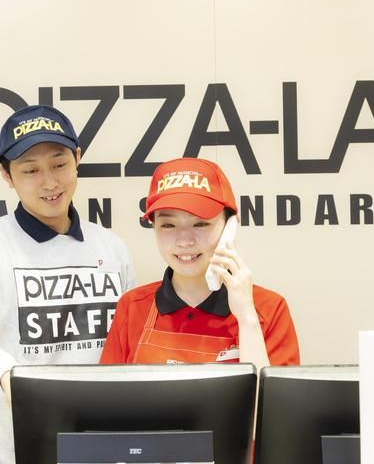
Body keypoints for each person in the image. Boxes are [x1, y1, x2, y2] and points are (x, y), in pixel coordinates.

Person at [0, 104, 135, 464]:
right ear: (6, 175)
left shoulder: (112, 248)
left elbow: (127, 347)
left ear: (77, 160)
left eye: (59, 164)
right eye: (30, 170)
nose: (49, 182)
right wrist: (9, 377)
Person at [100, 157, 299, 368]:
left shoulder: (269, 309)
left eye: (201, 224)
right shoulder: (132, 308)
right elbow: (108, 389)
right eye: (168, 225)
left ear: (230, 226)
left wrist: (246, 318)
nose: (184, 241)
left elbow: (270, 391)